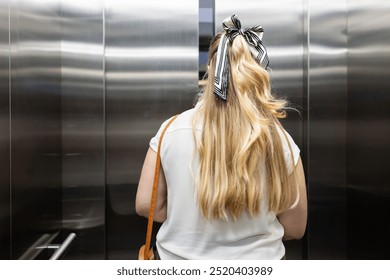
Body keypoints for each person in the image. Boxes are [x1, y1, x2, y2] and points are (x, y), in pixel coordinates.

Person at [136, 14, 307, 260]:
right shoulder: (280, 140)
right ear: (256, 71)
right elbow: (295, 227)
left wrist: (190, 224)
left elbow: (146, 205)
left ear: (209, 70)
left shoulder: (169, 131)